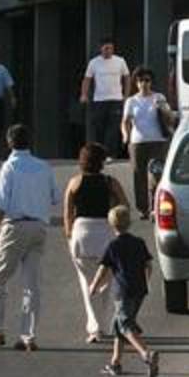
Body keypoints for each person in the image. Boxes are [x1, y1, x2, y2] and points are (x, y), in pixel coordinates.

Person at [0, 124, 59, 352]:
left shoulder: (9, 167)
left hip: (15, 226)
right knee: (31, 284)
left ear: (9, 142)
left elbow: (0, 203)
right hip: (39, 227)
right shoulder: (44, 167)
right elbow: (55, 197)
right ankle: (28, 336)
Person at [63, 142, 129, 343]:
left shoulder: (75, 182)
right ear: (101, 162)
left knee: (87, 282)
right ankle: (100, 325)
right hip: (105, 233)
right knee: (104, 284)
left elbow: (67, 213)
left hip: (81, 233)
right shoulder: (111, 182)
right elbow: (124, 206)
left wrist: (69, 236)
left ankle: (94, 329)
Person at [90, 205, 160, 377]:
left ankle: (146, 354)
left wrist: (94, 286)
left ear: (111, 224)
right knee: (119, 324)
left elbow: (103, 269)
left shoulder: (113, 246)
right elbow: (148, 265)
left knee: (125, 325)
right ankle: (115, 362)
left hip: (123, 291)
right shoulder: (139, 242)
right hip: (139, 290)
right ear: (129, 222)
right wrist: (146, 281)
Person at [121, 66, 173, 220]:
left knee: (157, 174)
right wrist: (126, 135)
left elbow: (170, 119)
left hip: (158, 141)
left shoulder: (159, 97)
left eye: (147, 80)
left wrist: (163, 109)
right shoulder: (131, 101)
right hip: (138, 142)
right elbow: (125, 121)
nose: (144, 83)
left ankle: (155, 207)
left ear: (151, 82)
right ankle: (143, 208)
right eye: (140, 80)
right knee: (139, 175)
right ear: (136, 83)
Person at [80, 37, 129, 160]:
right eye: (106, 48)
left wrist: (126, 94)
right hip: (99, 100)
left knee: (113, 128)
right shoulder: (94, 62)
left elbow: (127, 77)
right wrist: (84, 94)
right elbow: (87, 79)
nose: (109, 51)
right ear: (101, 49)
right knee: (99, 128)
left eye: (111, 48)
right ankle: (99, 154)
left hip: (116, 99)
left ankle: (110, 154)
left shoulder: (120, 61)